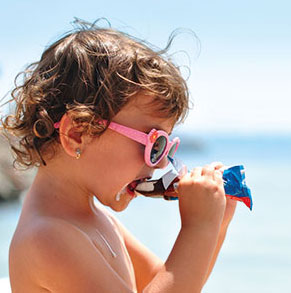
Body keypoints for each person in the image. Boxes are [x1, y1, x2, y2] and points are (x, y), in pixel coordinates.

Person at [3, 20, 237, 292]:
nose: (160, 162)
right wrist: (197, 228)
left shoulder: (94, 218)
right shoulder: (47, 237)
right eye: (153, 142)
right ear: (78, 133)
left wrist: (215, 229)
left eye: (165, 146)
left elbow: (168, 282)